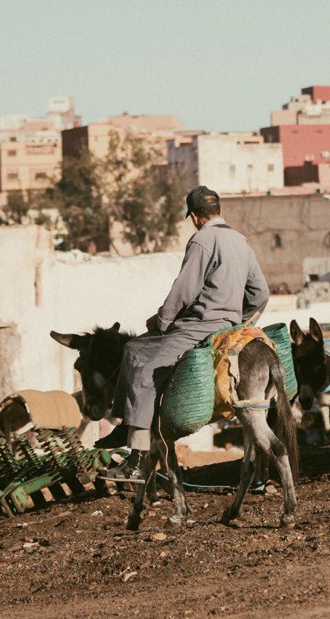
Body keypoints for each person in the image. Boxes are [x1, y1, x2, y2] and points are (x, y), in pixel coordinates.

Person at [101, 186, 269, 482]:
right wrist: (236, 320)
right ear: (218, 209)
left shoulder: (203, 239)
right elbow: (260, 293)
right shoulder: (240, 240)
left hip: (198, 326)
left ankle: (137, 457)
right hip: (230, 327)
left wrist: (161, 321)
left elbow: (184, 290)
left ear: (194, 216)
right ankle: (130, 424)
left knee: (138, 356)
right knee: (139, 352)